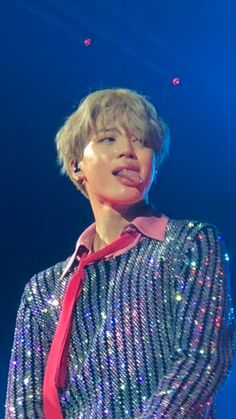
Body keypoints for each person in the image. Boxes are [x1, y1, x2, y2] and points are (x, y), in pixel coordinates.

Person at [6, 88, 235, 418]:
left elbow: (202, 358)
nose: (128, 150)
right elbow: (24, 400)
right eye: (108, 139)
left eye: (142, 142)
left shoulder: (190, 244)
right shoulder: (43, 289)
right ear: (76, 166)